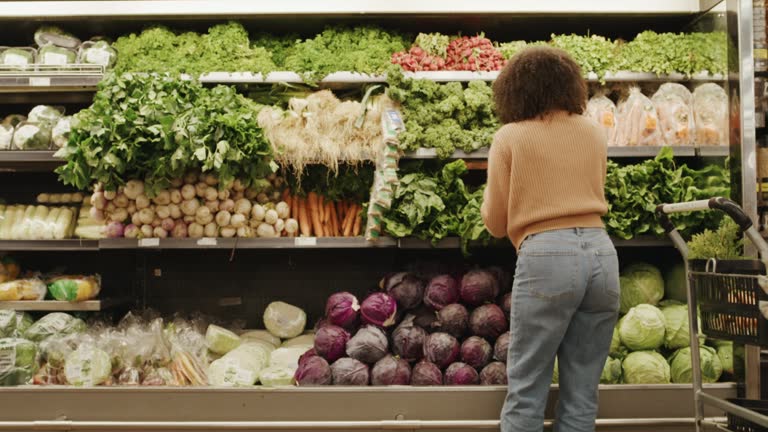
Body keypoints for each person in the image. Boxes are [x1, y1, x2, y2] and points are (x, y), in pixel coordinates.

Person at [481, 46, 620, 432]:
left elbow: (495, 222)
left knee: (527, 388)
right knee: (582, 393)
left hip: (545, 254)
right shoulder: (594, 133)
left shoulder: (510, 137)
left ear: (514, 91)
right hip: (601, 253)